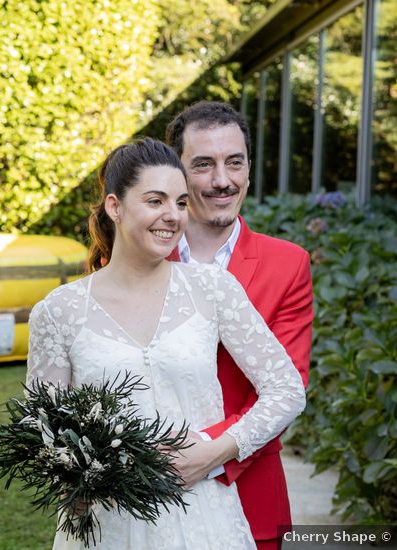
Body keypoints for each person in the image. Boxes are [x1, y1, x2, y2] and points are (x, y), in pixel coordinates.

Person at [26, 138, 306, 549]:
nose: (172, 217)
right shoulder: (60, 311)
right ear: (114, 206)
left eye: (179, 203)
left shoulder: (212, 289)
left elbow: (287, 389)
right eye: (155, 201)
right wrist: (88, 475)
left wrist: (213, 451)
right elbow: (45, 432)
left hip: (203, 519)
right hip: (107, 526)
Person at [164, 101, 313, 550]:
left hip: (249, 497)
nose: (222, 181)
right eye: (203, 165)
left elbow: (287, 385)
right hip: (147, 497)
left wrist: (199, 452)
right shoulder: (140, 260)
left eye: (235, 162)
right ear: (178, 173)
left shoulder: (288, 265)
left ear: (249, 168)